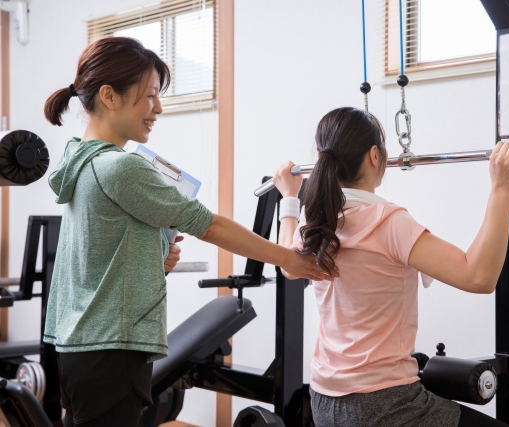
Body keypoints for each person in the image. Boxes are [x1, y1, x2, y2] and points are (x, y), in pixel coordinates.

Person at [42, 37, 333, 427]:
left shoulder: (79, 163)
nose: (157, 109)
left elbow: (96, 258)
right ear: (109, 96)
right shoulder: (122, 168)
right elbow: (208, 225)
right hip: (112, 346)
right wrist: (289, 258)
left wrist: (152, 261)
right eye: (149, 96)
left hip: (80, 343)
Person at [272, 107, 509, 427]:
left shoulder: (315, 219)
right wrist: (503, 188)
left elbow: (288, 267)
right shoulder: (389, 223)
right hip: (385, 406)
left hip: (324, 402)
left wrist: (289, 198)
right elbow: (479, 276)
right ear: (375, 155)